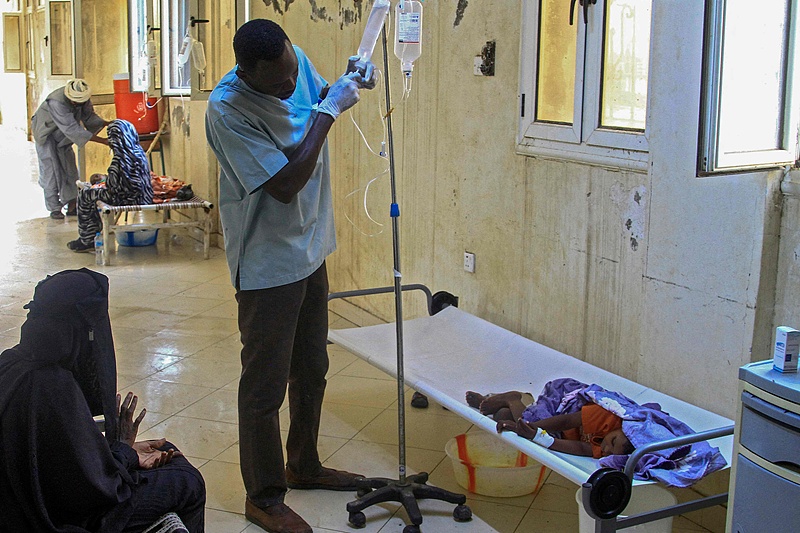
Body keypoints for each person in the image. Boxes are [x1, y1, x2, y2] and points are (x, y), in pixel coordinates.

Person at [205, 19, 375, 533]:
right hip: (266, 262)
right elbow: (285, 182)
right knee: (264, 387)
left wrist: (344, 83)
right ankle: (263, 495)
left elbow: (316, 95)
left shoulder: (293, 60)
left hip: (310, 245)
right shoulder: (227, 109)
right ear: (245, 72)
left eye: (291, 74)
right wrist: (328, 110)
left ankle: (304, 463)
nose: (288, 87)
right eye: (277, 85)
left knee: (312, 366)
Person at [0, 269, 206, 532]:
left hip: (23, 505)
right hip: (59, 519)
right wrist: (122, 451)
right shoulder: (54, 385)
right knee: (187, 480)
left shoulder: (10, 362)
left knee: (165, 451)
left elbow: (59, 458)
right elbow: (96, 491)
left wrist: (118, 452)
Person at [467, 386, 634, 458]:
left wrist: (539, 437)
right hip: (562, 407)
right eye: (612, 441)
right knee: (528, 423)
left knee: (501, 417)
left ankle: (502, 404)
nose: (606, 448)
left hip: (563, 432)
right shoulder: (609, 416)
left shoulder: (609, 452)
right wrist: (532, 429)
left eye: (611, 452)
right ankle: (513, 399)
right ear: (621, 428)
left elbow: (581, 447)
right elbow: (566, 420)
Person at [67, 119, 154, 252]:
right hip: (143, 196)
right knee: (93, 192)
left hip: (128, 199)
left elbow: (115, 187)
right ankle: (92, 234)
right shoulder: (139, 153)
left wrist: (103, 182)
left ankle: (87, 239)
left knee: (85, 195)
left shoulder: (120, 158)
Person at [32, 79, 109, 220]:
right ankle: (54, 208)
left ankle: (72, 205)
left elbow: (89, 117)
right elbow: (73, 129)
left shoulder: (83, 99)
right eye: (74, 102)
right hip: (46, 134)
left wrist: (107, 123)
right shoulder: (57, 102)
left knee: (70, 169)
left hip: (63, 136)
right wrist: (103, 141)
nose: (76, 105)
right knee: (51, 171)